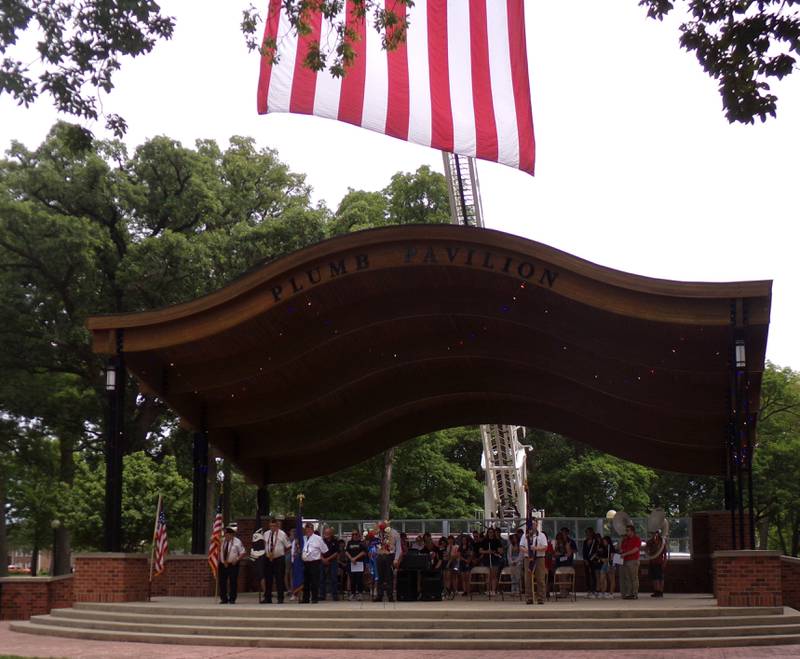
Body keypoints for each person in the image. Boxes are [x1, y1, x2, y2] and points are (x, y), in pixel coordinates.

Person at [261, 518, 290, 604]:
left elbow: (288, 546)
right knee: (268, 579)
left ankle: (280, 598)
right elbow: (264, 545)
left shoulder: (282, 534)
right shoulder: (266, 534)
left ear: (277, 526)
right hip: (268, 559)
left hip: (279, 559)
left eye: (274, 526)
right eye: (271, 526)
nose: (272, 527)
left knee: (279, 579)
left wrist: (281, 553)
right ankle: (267, 598)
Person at [520, 519, 548, 605]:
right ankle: (529, 598)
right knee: (528, 578)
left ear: (537, 525)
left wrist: (536, 549)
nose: (532, 526)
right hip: (528, 558)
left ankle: (541, 598)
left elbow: (545, 547)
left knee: (540, 578)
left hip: (539, 558)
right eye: (531, 524)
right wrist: (527, 551)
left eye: (534, 524)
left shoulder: (542, 535)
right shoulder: (525, 536)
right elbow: (521, 546)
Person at [300, 522, 328, 604]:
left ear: (312, 529)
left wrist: (321, 557)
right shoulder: (303, 538)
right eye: (306, 529)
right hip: (305, 562)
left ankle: (314, 598)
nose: (308, 530)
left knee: (314, 581)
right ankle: (305, 598)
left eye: (310, 529)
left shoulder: (318, 538)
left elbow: (324, 550)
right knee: (306, 581)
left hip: (314, 562)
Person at [374, 520, 401, 602]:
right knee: (379, 577)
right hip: (380, 556)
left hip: (389, 556)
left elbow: (398, 547)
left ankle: (390, 595)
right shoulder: (378, 533)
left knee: (389, 576)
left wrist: (396, 559)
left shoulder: (395, 533)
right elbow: (375, 544)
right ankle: (379, 595)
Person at [219, 525, 245, 604]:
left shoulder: (237, 541)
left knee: (233, 581)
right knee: (222, 581)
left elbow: (243, 552)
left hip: (233, 564)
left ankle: (232, 598)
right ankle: (224, 598)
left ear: (232, 535)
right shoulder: (222, 541)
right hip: (223, 564)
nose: (226, 536)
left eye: (227, 535)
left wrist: (237, 559)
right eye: (225, 534)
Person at [619, 524, 642, 599]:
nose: (627, 532)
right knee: (627, 578)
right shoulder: (625, 539)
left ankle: (635, 594)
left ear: (632, 531)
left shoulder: (637, 539)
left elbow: (636, 549)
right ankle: (629, 593)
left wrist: (625, 553)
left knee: (634, 577)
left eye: (628, 530)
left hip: (633, 560)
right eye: (626, 530)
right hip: (625, 560)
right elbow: (622, 548)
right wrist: (621, 551)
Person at [479, 527, 504, 595]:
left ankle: (493, 590)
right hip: (487, 559)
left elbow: (501, 551)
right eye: (489, 532)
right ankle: (488, 590)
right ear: (487, 533)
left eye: (492, 532)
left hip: (495, 559)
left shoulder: (497, 541)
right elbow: (480, 551)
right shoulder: (484, 541)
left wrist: (497, 551)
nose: (491, 534)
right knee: (488, 575)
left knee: (494, 575)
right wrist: (487, 551)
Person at [345, 529, 368, 601]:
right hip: (351, 563)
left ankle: (360, 593)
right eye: (353, 534)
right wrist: (351, 559)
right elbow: (346, 551)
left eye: (356, 534)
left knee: (359, 579)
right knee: (352, 579)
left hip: (359, 563)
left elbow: (364, 552)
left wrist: (355, 558)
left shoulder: (361, 543)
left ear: (358, 535)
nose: (354, 536)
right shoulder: (349, 543)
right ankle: (353, 593)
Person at [318, 527, 339, 601]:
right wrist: (323, 559)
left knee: (333, 578)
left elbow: (336, 552)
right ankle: (322, 595)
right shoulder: (321, 541)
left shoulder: (335, 541)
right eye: (326, 533)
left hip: (332, 561)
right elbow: (318, 551)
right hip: (323, 560)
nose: (327, 534)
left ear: (331, 534)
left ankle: (335, 595)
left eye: (328, 533)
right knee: (321, 578)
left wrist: (328, 559)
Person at [646, 529, 668, 598]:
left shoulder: (662, 543)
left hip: (659, 561)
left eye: (655, 533)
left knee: (660, 577)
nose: (654, 535)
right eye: (652, 534)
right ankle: (656, 590)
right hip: (652, 561)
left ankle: (660, 591)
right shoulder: (650, 542)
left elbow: (665, 553)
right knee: (654, 577)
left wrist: (665, 561)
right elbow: (647, 550)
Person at [250, 522, 268, 603]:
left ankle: (266, 593)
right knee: (260, 575)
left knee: (264, 576)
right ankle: (265, 593)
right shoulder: (256, 542)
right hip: (259, 558)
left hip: (266, 559)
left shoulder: (264, 540)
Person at [582, 528, 600, 598]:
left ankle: (594, 590)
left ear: (592, 533)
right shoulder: (585, 541)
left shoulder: (595, 541)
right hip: (586, 561)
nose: (587, 534)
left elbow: (597, 551)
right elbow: (583, 552)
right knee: (587, 576)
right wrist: (585, 560)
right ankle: (588, 590)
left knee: (594, 576)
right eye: (586, 533)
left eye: (588, 533)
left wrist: (593, 558)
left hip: (594, 561)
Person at [596, 534, 610, 598]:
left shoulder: (609, 547)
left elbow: (611, 556)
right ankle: (602, 592)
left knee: (605, 578)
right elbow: (598, 555)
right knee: (602, 578)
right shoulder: (601, 546)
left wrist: (606, 559)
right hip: (602, 563)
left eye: (604, 541)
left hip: (607, 563)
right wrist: (601, 559)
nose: (604, 542)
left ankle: (605, 592)